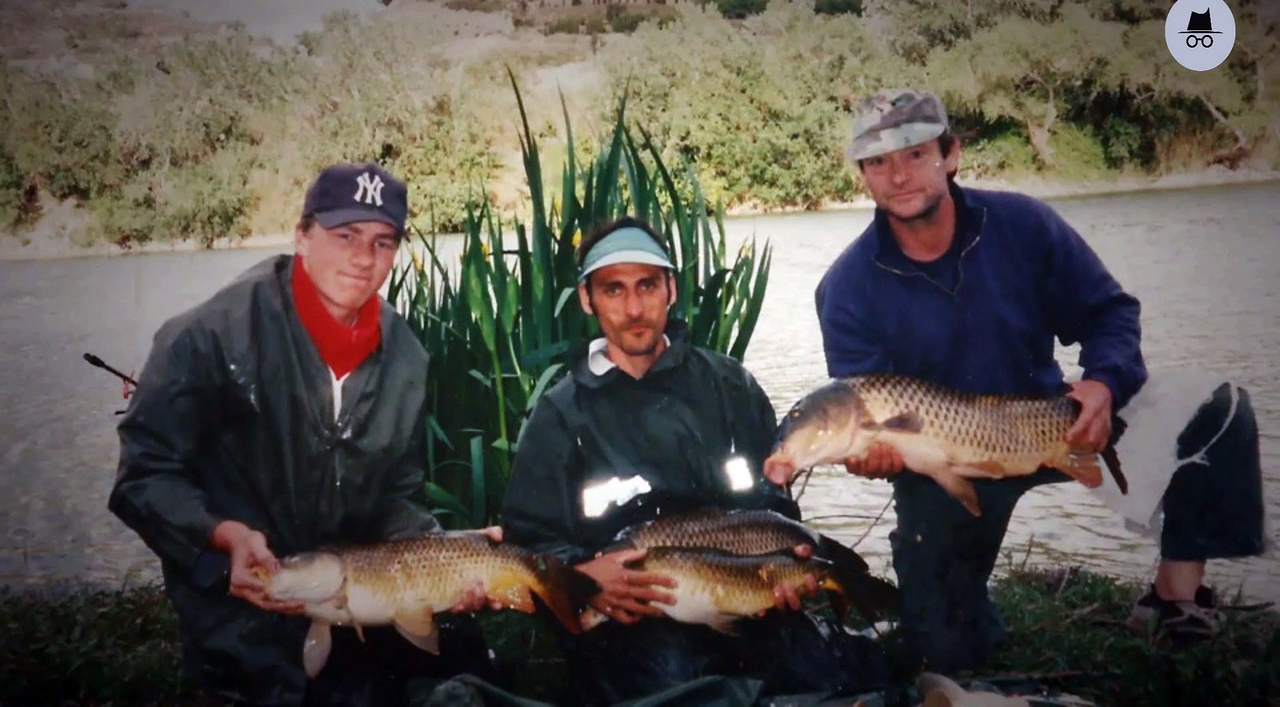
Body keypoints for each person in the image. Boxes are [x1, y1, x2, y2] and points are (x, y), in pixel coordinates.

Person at [764, 89, 1266, 671]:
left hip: (1059, 423)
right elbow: (860, 403)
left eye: (914, 154)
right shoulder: (847, 288)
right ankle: (960, 613)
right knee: (945, 650)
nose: (897, 176)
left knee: (1217, 408)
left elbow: (1110, 313)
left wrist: (1102, 384)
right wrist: (878, 460)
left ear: (950, 154)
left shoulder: (1023, 225)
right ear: (863, 177)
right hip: (943, 467)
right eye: (878, 163)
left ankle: (1175, 598)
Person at [108, 162, 501, 706]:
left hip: (354, 593)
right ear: (302, 235)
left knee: (460, 671)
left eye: (383, 243)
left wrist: (443, 554)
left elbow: (396, 493)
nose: (364, 259)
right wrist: (218, 536)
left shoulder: (406, 355)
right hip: (240, 603)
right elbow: (144, 476)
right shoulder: (210, 336)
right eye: (345, 236)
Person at [501, 216, 887, 705]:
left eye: (647, 285)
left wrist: (787, 570)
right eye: (613, 290)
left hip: (743, 593)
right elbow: (528, 540)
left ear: (671, 289)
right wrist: (583, 576)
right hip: (632, 616)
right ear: (587, 299)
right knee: (674, 686)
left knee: (818, 678)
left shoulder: (730, 385)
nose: (634, 307)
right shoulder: (559, 413)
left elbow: (774, 502)